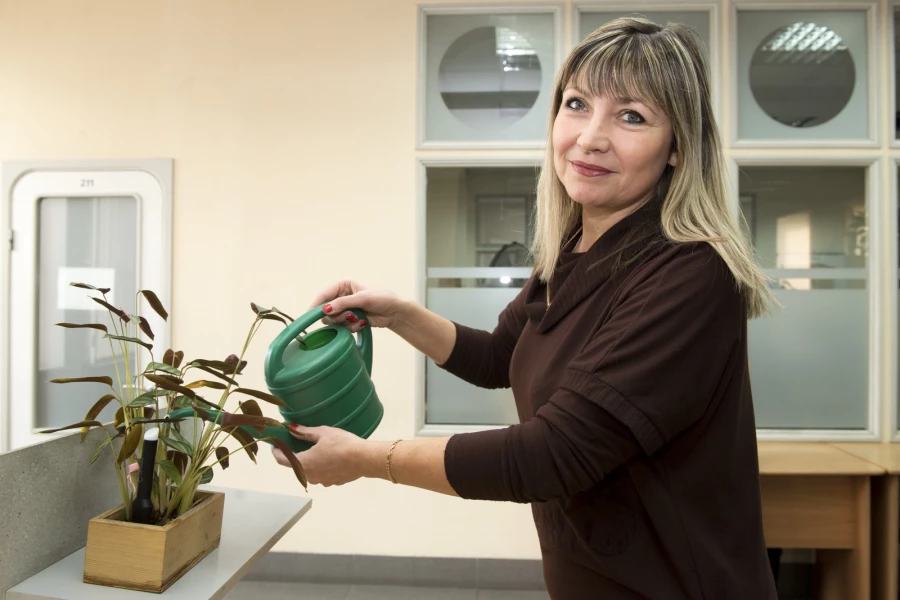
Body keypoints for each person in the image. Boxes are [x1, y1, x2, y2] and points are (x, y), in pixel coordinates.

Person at [273, 16, 779, 600]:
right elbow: (499, 357)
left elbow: (554, 455)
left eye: (632, 115)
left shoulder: (690, 274)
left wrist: (369, 458)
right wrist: (398, 316)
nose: (590, 136)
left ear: (677, 149)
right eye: (576, 104)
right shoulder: (574, 251)